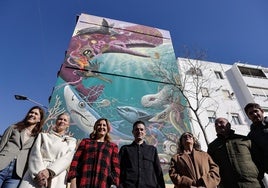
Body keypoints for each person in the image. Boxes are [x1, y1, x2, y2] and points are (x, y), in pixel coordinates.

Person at [19, 112, 77, 188]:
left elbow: (67, 159)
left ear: (68, 125)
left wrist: (49, 171)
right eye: (60, 119)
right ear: (56, 121)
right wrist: (40, 174)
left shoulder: (71, 141)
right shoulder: (43, 136)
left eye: (65, 120)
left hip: (57, 175)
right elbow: (35, 153)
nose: (62, 121)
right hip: (37, 172)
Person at [207, 117, 264, 188]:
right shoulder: (212, 147)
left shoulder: (245, 140)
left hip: (253, 184)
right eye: (216, 124)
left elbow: (259, 159)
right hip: (228, 185)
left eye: (221, 122)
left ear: (229, 125)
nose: (218, 125)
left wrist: (258, 175)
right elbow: (211, 166)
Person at [0, 106, 45, 188]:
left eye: (36, 114)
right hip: (2, 164)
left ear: (39, 119)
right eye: (31, 112)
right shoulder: (14, 128)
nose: (32, 114)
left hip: (17, 173)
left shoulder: (38, 137)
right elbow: (1, 145)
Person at [67, 118, 120, 188]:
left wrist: (114, 184)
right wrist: (73, 180)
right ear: (95, 127)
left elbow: (116, 168)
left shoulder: (112, 146)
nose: (101, 127)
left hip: (103, 184)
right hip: (84, 182)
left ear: (108, 129)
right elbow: (75, 161)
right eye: (99, 125)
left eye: (104, 125)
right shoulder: (85, 142)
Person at [119, 120, 165, 188]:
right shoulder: (125, 149)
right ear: (133, 132)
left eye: (141, 129)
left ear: (145, 132)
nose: (139, 131)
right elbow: (119, 168)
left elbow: (158, 170)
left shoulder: (152, 150)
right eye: (136, 129)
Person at [244, 102, 268, 172]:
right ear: (248, 117)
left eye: (256, 111)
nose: (254, 114)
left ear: (262, 111)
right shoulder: (251, 137)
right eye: (251, 113)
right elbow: (258, 157)